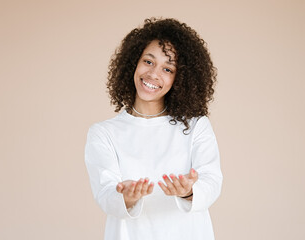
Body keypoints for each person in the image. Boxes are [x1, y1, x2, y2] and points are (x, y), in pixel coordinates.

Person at [84, 18, 223, 240]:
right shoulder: (104, 133)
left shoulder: (196, 126)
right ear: (133, 62)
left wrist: (188, 190)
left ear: (180, 79)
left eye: (167, 68)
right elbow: (105, 194)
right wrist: (126, 196)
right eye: (148, 62)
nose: (153, 74)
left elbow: (212, 182)